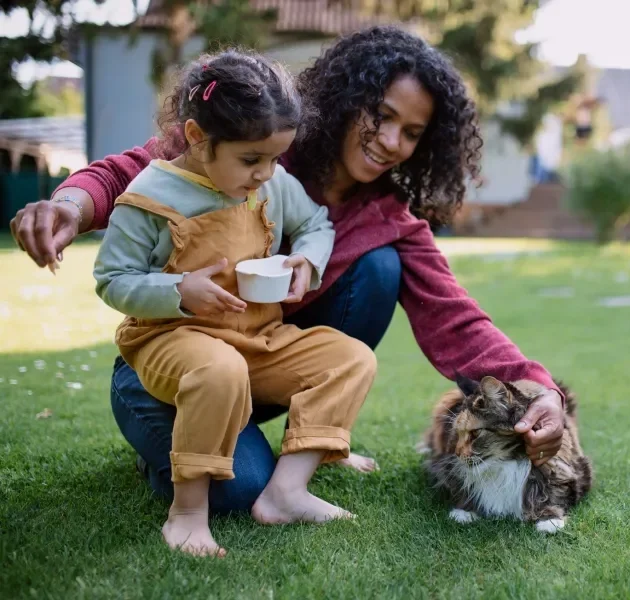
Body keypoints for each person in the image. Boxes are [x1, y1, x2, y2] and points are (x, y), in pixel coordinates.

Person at [10, 25, 568, 516]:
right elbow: (126, 173)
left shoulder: (386, 215)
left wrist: (538, 390)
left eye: (413, 131)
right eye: (382, 116)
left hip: (259, 358)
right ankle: (167, 442)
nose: (392, 142)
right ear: (347, 99)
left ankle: (311, 441)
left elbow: (455, 317)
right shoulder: (261, 149)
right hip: (174, 362)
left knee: (377, 268)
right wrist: (69, 207)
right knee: (237, 493)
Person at [94, 49, 377, 557]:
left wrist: (306, 262)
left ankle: (288, 491)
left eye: (274, 158)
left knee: (350, 358)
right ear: (199, 138)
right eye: (251, 160)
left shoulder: (270, 185)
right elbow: (112, 279)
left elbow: (316, 224)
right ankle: (186, 513)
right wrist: (178, 292)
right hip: (171, 339)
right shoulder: (150, 197)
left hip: (256, 336)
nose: (266, 173)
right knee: (220, 371)